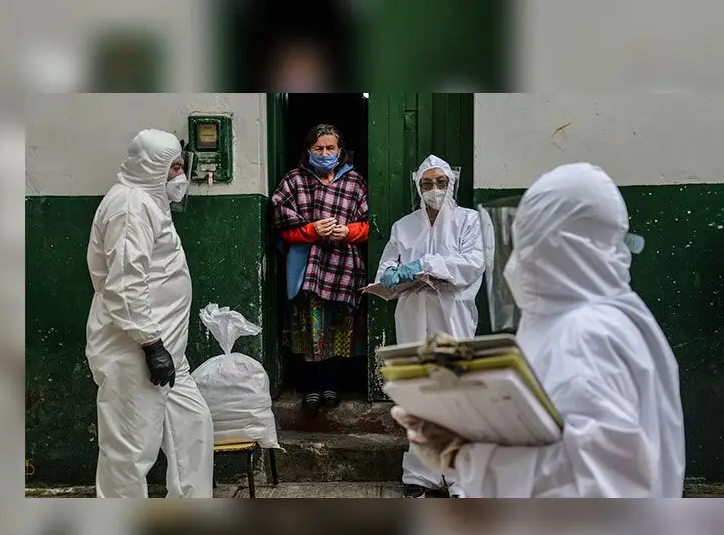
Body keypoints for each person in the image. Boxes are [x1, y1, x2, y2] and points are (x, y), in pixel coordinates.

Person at [392, 162, 685, 498]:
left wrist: (471, 458)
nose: (518, 258)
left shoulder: (585, 337)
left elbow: (597, 490)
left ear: (563, 243)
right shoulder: (605, 317)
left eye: (528, 241)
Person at [85, 128, 214, 498]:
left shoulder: (149, 203)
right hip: (136, 351)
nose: (180, 176)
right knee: (129, 450)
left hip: (167, 351)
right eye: (172, 168)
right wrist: (151, 344)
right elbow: (125, 283)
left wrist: (161, 347)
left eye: (180, 166)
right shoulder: (131, 207)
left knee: (192, 426)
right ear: (151, 168)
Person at [376, 155, 486, 498]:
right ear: (418, 186)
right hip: (414, 314)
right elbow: (386, 267)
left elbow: (473, 263)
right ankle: (420, 475)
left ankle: (459, 478)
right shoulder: (403, 226)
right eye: (427, 183)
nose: (434, 189)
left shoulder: (469, 220)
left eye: (440, 182)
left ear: (451, 183)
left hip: (451, 315)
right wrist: (391, 275)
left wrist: (426, 265)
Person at [271, 124, 370, 412]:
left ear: (340, 152)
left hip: (344, 269)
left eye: (330, 148)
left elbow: (369, 226)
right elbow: (280, 228)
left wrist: (349, 232)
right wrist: (311, 230)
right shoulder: (294, 181)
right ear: (308, 150)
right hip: (309, 271)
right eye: (319, 148)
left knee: (339, 327)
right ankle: (311, 387)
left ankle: (331, 386)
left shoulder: (355, 182)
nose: (325, 154)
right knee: (311, 329)